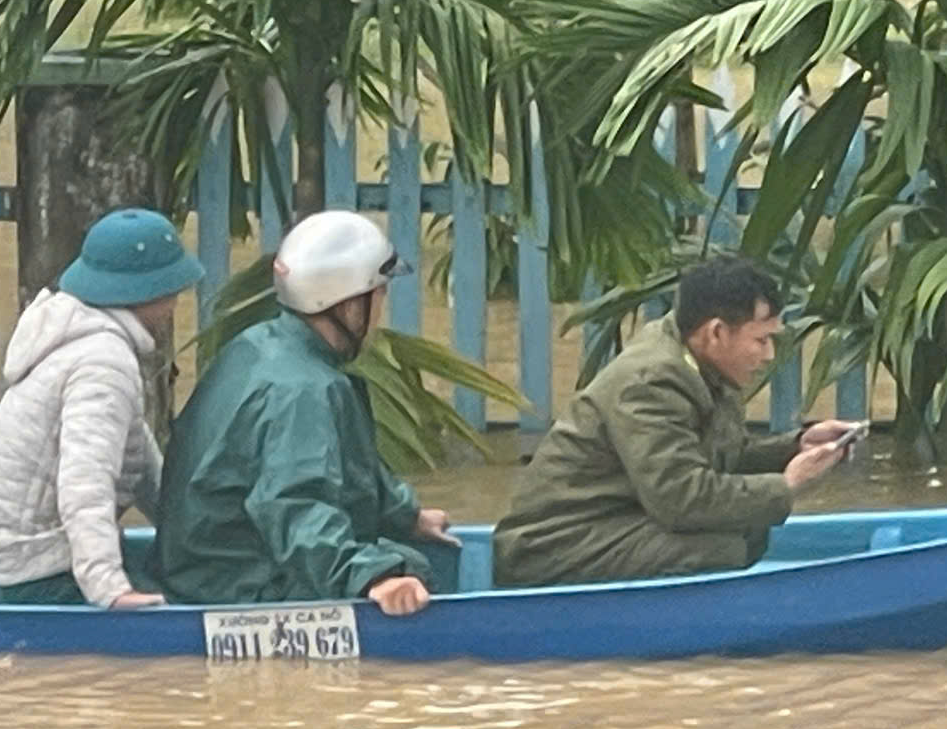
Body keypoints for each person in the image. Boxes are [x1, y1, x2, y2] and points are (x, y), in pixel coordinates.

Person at [151, 211, 452, 615]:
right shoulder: (302, 391)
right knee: (414, 569)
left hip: (201, 568)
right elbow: (295, 506)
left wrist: (404, 514)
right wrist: (371, 577)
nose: (382, 310)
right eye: (379, 294)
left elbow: (344, 467)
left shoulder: (256, 345)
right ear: (348, 304)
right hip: (233, 586)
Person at [492, 254, 855, 588]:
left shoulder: (697, 358)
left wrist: (797, 447)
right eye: (760, 340)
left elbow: (717, 457)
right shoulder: (650, 382)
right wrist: (787, 485)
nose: (769, 355)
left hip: (612, 523)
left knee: (750, 528)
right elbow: (681, 500)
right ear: (715, 332)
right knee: (720, 547)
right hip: (548, 549)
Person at [0, 209, 201, 608]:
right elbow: (86, 481)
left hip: (19, 559)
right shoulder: (102, 362)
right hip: (39, 575)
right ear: (147, 291)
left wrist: (185, 527)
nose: (176, 301)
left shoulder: (81, 336)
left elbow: (138, 454)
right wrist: (110, 590)